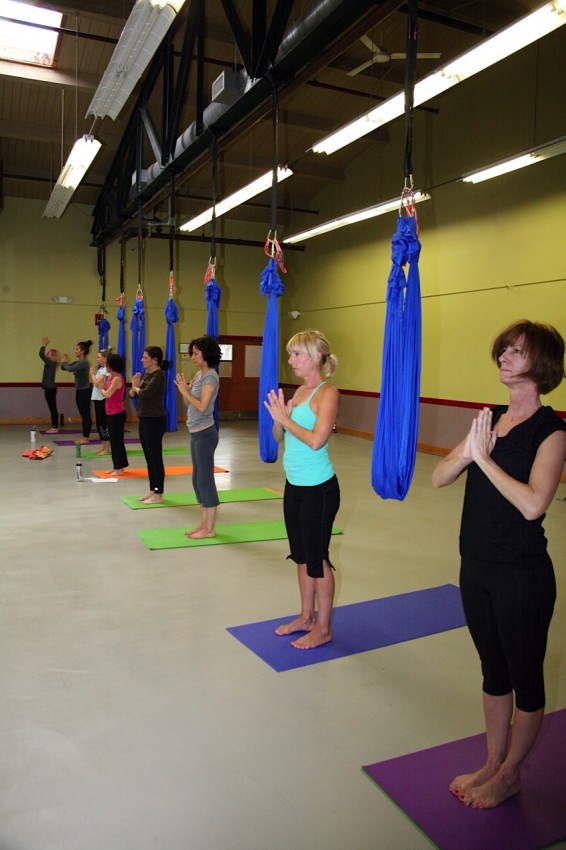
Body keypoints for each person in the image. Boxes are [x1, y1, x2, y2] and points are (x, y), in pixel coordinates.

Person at [432, 319, 566, 810]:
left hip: (522, 575)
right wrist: (471, 448)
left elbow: (533, 505)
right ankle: (492, 762)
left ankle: (511, 775)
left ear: (542, 365)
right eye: (503, 349)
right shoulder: (488, 421)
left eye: (516, 351)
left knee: (525, 676)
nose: (504, 356)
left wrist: (484, 460)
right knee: (493, 671)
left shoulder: (551, 430)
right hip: (477, 568)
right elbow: (438, 476)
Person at [263, 329, 340, 650]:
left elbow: (315, 440)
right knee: (301, 557)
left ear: (317, 357)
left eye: (297, 354)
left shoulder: (328, 393)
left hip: (319, 490)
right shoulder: (297, 392)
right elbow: (281, 438)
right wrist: (279, 419)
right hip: (293, 487)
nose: (291, 360)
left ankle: (323, 627)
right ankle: (306, 617)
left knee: (317, 559)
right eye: (290, 354)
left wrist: (287, 416)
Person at [174, 336, 221, 538]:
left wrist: (186, 391)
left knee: (205, 479)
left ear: (205, 354)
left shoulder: (210, 376)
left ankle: (209, 529)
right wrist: (184, 391)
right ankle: (203, 524)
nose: (192, 356)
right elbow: (190, 405)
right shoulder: (200, 375)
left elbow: (202, 406)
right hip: (195, 432)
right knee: (197, 480)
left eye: (195, 353)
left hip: (205, 433)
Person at [130, 346, 168, 504]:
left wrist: (136, 387)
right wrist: (135, 388)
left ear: (154, 360)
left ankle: (159, 493)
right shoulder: (148, 375)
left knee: (155, 457)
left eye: (145, 357)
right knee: (148, 457)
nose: (142, 360)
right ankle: (153, 489)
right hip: (145, 419)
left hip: (155, 420)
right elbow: (133, 394)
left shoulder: (158, 376)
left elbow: (144, 394)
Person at [95, 353, 128, 475]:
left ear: (111, 366)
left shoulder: (117, 379)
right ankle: (116, 466)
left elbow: (107, 394)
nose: (105, 366)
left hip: (117, 414)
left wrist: (102, 388)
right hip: (111, 413)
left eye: (107, 364)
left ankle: (120, 467)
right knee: (113, 441)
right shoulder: (111, 377)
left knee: (117, 441)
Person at [60, 339, 93, 443]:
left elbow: (69, 368)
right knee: (83, 414)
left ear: (82, 351)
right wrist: (64, 363)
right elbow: (64, 367)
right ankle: (84, 435)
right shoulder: (78, 362)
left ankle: (85, 437)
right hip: (80, 391)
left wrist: (64, 362)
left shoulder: (83, 363)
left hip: (85, 391)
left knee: (86, 415)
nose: (75, 351)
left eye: (77, 349)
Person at [90, 347, 111, 455]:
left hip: (102, 399)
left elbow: (97, 383)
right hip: (97, 399)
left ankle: (107, 448)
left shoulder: (106, 370)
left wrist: (93, 374)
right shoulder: (101, 369)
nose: (97, 359)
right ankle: (103, 447)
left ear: (105, 358)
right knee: (99, 423)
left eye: (99, 357)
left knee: (103, 424)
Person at [39, 336, 59, 433]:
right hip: (49, 388)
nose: (47, 354)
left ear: (52, 356)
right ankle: (54, 426)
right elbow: (43, 356)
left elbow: (41, 355)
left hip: (50, 389)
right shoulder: (49, 364)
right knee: (52, 408)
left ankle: (54, 427)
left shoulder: (51, 363)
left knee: (52, 408)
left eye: (49, 353)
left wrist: (44, 345)